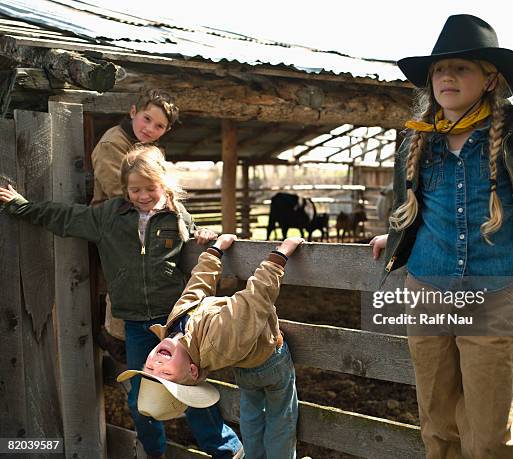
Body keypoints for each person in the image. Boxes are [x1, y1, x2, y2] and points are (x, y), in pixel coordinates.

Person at [369, 14, 513, 459]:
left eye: (460, 67)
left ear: (489, 77)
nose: (446, 76)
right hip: (427, 286)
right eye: (439, 69)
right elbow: (407, 202)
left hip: (493, 289)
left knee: (488, 432)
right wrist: (395, 236)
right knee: (437, 424)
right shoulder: (417, 139)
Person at [0, 146, 243, 459]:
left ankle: (227, 450)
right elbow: (65, 217)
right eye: (134, 189)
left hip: (175, 321)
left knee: (188, 385)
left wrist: (205, 234)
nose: (142, 196)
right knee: (139, 397)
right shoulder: (110, 215)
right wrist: (22, 206)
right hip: (136, 325)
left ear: (164, 184)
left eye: (149, 189)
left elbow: (194, 235)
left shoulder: (176, 216)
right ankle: (154, 452)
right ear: (125, 188)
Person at [117, 235, 302, 459]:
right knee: (280, 418)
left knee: (251, 417)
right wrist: (280, 255)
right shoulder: (219, 338)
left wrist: (215, 251)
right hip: (271, 362)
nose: (156, 364)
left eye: (149, 370)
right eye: (166, 373)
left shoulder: (176, 325)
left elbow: (197, 288)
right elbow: (256, 300)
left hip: (244, 371)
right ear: (193, 371)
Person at [91, 88, 180, 357]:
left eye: (159, 125)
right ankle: (116, 336)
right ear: (133, 112)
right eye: (146, 119)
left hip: (142, 218)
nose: (150, 128)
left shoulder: (148, 149)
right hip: (119, 220)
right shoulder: (112, 144)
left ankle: (152, 335)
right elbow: (118, 189)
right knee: (127, 276)